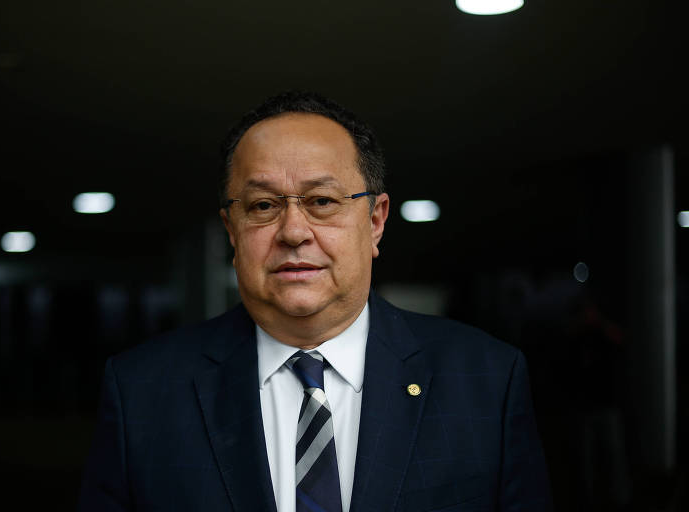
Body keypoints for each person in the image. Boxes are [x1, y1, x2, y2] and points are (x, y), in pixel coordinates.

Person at [78, 91, 553, 511]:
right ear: (232, 230)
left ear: (375, 221)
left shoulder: (488, 378)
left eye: (322, 201)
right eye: (263, 206)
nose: (293, 232)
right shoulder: (143, 392)